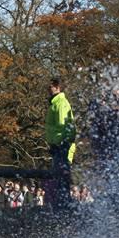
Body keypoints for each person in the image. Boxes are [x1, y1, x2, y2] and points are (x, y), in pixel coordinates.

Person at [45, 77, 75, 209]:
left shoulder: (60, 103)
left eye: (50, 87)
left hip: (62, 146)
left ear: (57, 88)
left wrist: (59, 144)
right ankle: (61, 205)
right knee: (59, 178)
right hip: (58, 146)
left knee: (62, 178)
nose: (48, 89)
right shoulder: (55, 104)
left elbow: (63, 126)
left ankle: (64, 208)